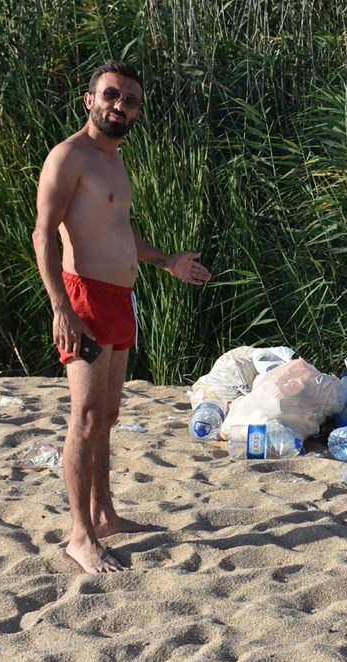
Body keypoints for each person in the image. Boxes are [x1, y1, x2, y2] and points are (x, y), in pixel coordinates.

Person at [32, 62, 211, 574]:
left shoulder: (114, 160)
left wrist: (166, 261)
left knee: (106, 418)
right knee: (85, 419)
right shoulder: (69, 156)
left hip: (119, 297)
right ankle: (80, 535)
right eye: (111, 95)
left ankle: (105, 514)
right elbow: (44, 234)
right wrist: (61, 307)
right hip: (83, 297)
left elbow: (117, 232)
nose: (121, 106)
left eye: (130, 100)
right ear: (89, 100)